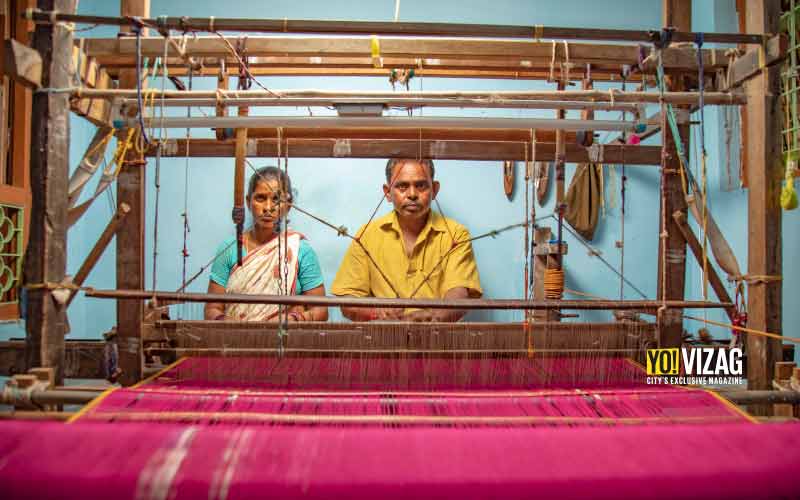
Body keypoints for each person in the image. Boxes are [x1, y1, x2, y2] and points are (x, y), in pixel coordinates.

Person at [332, 158, 481, 322]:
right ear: (387, 192)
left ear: (435, 190)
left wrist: (433, 316)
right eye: (402, 186)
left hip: (437, 340)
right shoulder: (367, 234)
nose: (412, 194)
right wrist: (377, 312)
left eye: (421, 185)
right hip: (382, 341)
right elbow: (347, 300)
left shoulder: (456, 234)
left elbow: (459, 294)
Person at [204, 166, 328, 322]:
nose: (268, 208)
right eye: (261, 198)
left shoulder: (300, 250)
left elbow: (321, 310)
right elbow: (212, 309)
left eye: (276, 199)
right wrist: (230, 324)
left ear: (288, 205)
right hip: (235, 341)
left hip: (287, 342)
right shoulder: (230, 249)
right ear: (248, 202)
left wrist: (294, 319)